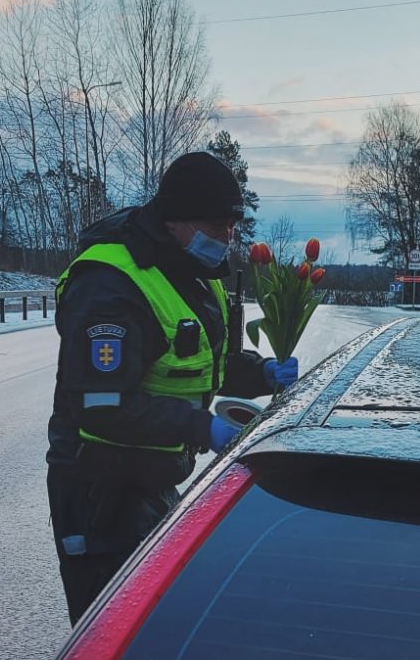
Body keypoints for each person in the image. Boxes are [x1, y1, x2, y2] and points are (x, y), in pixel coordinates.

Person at [47, 152, 298, 625]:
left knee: (160, 622)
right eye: (216, 225)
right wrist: (201, 426)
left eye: (231, 225)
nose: (226, 237)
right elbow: (100, 405)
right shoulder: (110, 285)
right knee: (112, 635)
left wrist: (263, 373)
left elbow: (205, 363)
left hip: (150, 478)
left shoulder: (189, 273)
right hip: (96, 491)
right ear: (177, 219)